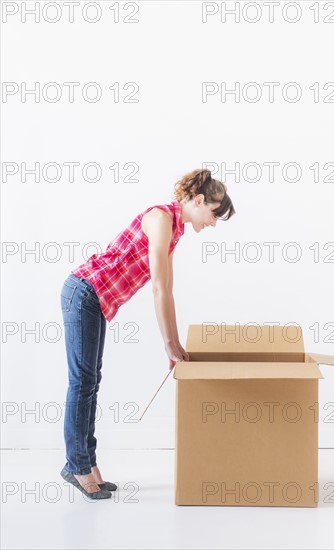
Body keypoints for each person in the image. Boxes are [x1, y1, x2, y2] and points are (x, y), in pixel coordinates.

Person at [59, 168, 236, 499]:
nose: (212, 223)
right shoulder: (160, 219)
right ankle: (76, 464)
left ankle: (88, 463)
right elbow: (157, 286)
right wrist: (169, 343)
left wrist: (175, 345)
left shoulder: (175, 230)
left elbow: (167, 288)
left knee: (91, 382)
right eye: (213, 214)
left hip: (94, 301)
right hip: (83, 292)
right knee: (82, 382)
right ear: (198, 201)